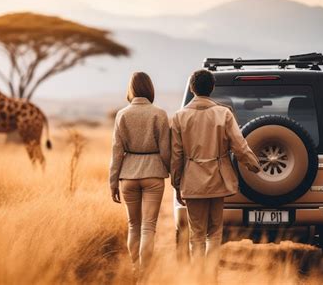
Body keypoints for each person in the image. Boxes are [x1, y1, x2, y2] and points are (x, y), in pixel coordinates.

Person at [170, 69, 261, 266]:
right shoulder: (224, 114)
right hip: (218, 180)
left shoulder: (178, 117)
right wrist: (254, 164)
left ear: (192, 89)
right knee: (214, 232)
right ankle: (211, 274)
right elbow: (239, 145)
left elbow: (176, 155)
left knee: (197, 235)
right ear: (212, 88)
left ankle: (198, 276)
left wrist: (176, 184)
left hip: (192, 181)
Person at [109, 72, 170, 278]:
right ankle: (146, 274)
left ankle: (135, 270)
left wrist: (113, 182)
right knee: (148, 227)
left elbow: (117, 151)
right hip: (153, 173)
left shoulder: (122, 114)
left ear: (131, 89)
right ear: (149, 89)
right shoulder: (159, 113)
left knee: (133, 225)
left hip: (128, 175)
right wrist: (173, 173)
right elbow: (165, 150)